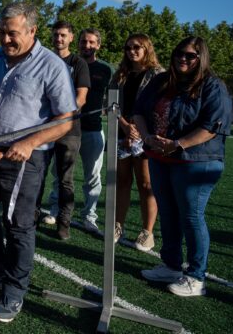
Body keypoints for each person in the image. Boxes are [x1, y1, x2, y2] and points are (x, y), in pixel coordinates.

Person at [0, 2, 76, 323]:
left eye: (12, 33)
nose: (5, 39)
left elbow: (65, 119)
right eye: (2, 32)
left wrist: (29, 143)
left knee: (18, 225)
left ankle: (14, 290)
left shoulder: (51, 65)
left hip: (25, 159)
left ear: (31, 31)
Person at [135, 37, 231, 297]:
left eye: (191, 56)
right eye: (180, 53)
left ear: (202, 59)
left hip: (197, 161)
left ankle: (196, 277)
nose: (183, 59)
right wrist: (146, 137)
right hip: (160, 158)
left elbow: (212, 126)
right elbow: (139, 112)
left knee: (191, 216)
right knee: (167, 212)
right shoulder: (161, 81)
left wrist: (178, 144)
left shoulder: (212, 86)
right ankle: (171, 265)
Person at [110, 33, 163, 250]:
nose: (132, 51)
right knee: (121, 181)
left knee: (146, 183)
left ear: (146, 48)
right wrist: (124, 125)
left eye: (137, 47)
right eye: (128, 47)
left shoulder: (158, 75)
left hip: (146, 135)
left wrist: (140, 130)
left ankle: (147, 232)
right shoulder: (120, 74)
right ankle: (117, 226)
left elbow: (160, 107)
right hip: (122, 133)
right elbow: (111, 104)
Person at [38, 21, 90, 240]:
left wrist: (62, 117)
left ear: (71, 38)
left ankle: (64, 222)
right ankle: (30, 217)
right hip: (42, 128)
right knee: (37, 175)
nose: (58, 39)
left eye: (63, 35)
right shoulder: (43, 60)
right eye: (56, 35)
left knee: (65, 179)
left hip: (69, 129)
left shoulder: (78, 63)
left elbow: (81, 97)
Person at [75, 27, 113, 233]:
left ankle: (89, 216)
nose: (87, 46)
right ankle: (55, 211)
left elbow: (117, 96)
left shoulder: (106, 69)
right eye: (83, 41)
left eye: (91, 42)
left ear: (98, 45)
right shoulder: (69, 65)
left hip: (93, 130)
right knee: (61, 175)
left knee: (93, 177)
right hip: (69, 129)